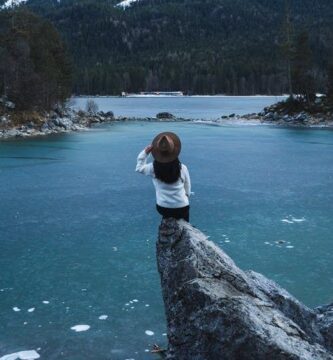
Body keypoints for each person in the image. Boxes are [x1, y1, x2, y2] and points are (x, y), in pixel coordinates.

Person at [135, 132, 191, 222]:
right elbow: (187, 188)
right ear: (175, 151)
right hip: (181, 207)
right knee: (185, 228)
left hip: (163, 207)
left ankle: (167, 228)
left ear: (157, 152)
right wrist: (185, 197)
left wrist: (145, 152)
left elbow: (139, 168)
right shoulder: (182, 168)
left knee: (167, 220)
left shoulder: (152, 168)